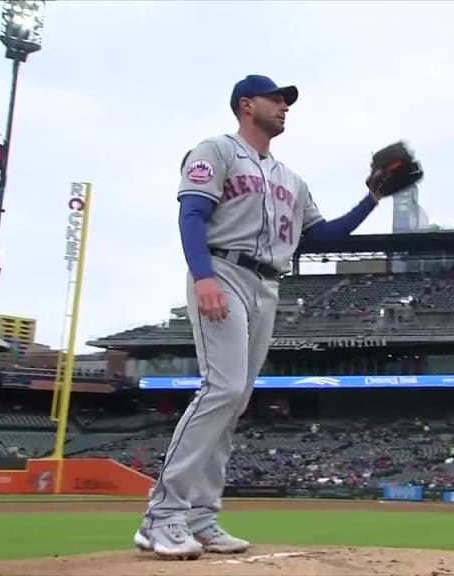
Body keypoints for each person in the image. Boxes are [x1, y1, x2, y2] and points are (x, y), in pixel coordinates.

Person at [134, 74, 383, 560]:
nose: (285, 106)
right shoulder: (217, 150)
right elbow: (191, 215)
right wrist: (202, 275)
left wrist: (371, 198)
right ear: (246, 105)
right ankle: (161, 515)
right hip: (222, 269)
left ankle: (202, 517)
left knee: (236, 400)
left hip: (268, 284)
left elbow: (322, 236)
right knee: (222, 388)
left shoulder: (292, 179)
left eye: (286, 101)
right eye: (276, 99)